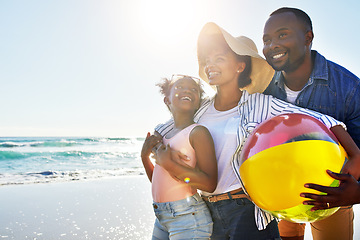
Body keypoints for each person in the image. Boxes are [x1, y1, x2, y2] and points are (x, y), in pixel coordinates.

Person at [154, 22, 360, 240]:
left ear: (239, 66)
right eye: (208, 61)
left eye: (219, 59)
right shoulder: (200, 110)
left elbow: (323, 119)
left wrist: (355, 154)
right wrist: (151, 147)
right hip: (206, 211)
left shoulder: (261, 105)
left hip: (245, 210)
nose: (210, 65)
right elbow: (170, 131)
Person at [262, 7, 360, 240]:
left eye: (282, 35)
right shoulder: (263, 88)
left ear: (308, 38)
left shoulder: (348, 88)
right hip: (281, 199)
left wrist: (356, 193)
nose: (272, 44)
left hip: (331, 198)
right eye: (266, 39)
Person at [141, 74, 218, 239]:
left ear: (198, 102)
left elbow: (209, 183)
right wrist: (144, 157)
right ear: (167, 100)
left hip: (189, 218)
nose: (187, 90)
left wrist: (170, 164)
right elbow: (158, 181)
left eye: (193, 89)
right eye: (180, 87)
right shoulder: (163, 135)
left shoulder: (198, 133)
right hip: (161, 216)